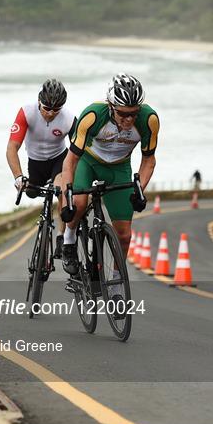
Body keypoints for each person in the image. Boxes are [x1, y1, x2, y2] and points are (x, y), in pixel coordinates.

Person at [60, 73, 160, 280]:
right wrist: (67, 196)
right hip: (87, 162)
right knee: (78, 203)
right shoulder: (93, 115)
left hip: (119, 167)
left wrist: (139, 189)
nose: (129, 119)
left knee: (124, 235)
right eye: (123, 113)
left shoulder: (149, 120)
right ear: (111, 106)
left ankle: (115, 283)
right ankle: (69, 240)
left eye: (133, 113)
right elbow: (70, 161)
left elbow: (148, 160)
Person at [6, 79, 76, 257]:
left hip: (59, 159)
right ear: (39, 100)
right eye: (46, 108)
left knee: (61, 190)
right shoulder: (26, 112)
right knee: (31, 192)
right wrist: (18, 177)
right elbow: (11, 148)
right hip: (35, 162)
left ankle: (61, 237)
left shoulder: (68, 119)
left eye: (56, 109)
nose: (51, 113)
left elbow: (79, 151)